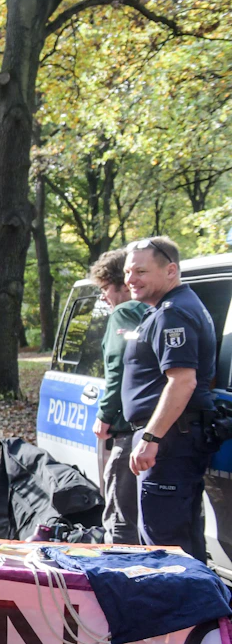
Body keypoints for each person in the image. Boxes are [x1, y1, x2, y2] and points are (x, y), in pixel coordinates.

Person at [122, 236, 217, 560]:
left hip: (170, 442)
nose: (130, 279)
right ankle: (200, 610)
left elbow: (182, 382)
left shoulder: (173, 313)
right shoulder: (174, 308)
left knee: (164, 548)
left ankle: (174, 611)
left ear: (171, 271)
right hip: (176, 439)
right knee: (184, 544)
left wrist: (150, 438)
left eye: (140, 271)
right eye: (127, 272)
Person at [89, 249, 150, 544]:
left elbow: (117, 366)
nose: (104, 298)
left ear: (123, 286)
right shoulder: (159, 310)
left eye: (105, 289)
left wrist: (104, 415)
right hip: (158, 430)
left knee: (121, 519)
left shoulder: (124, 313)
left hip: (128, 429)